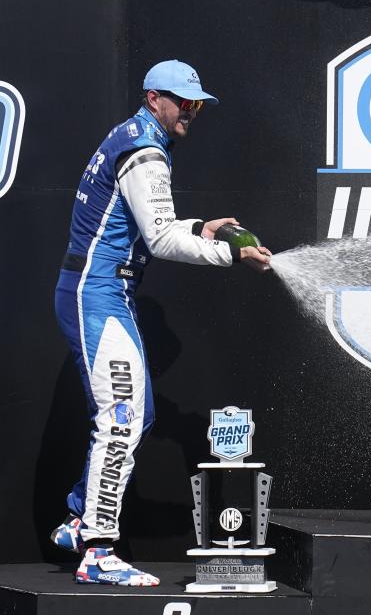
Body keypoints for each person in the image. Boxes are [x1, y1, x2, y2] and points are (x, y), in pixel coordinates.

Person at [49, 60, 272, 586]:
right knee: (122, 418)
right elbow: (162, 241)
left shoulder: (137, 137)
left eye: (198, 103)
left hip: (103, 292)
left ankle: (80, 520)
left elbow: (150, 222)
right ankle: (98, 552)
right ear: (155, 99)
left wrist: (203, 226)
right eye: (184, 101)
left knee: (136, 415)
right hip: (98, 294)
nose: (193, 111)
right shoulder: (146, 150)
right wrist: (231, 256)